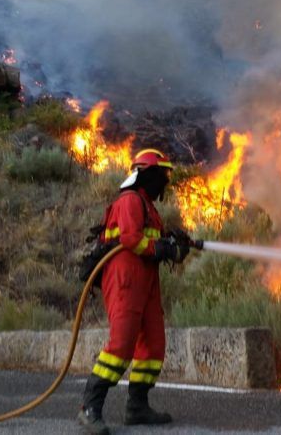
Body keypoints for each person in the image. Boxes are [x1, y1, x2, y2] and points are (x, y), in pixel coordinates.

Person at [78, 149, 191, 434]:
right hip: (125, 279)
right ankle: (90, 408)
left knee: (153, 346)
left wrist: (174, 244)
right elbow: (131, 238)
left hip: (147, 282)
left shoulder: (148, 207)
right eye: (162, 174)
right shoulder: (130, 200)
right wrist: (160, 247)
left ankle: (137, 407)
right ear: (147, 174)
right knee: (121, 345)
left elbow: (153, 241)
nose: (165, 180)